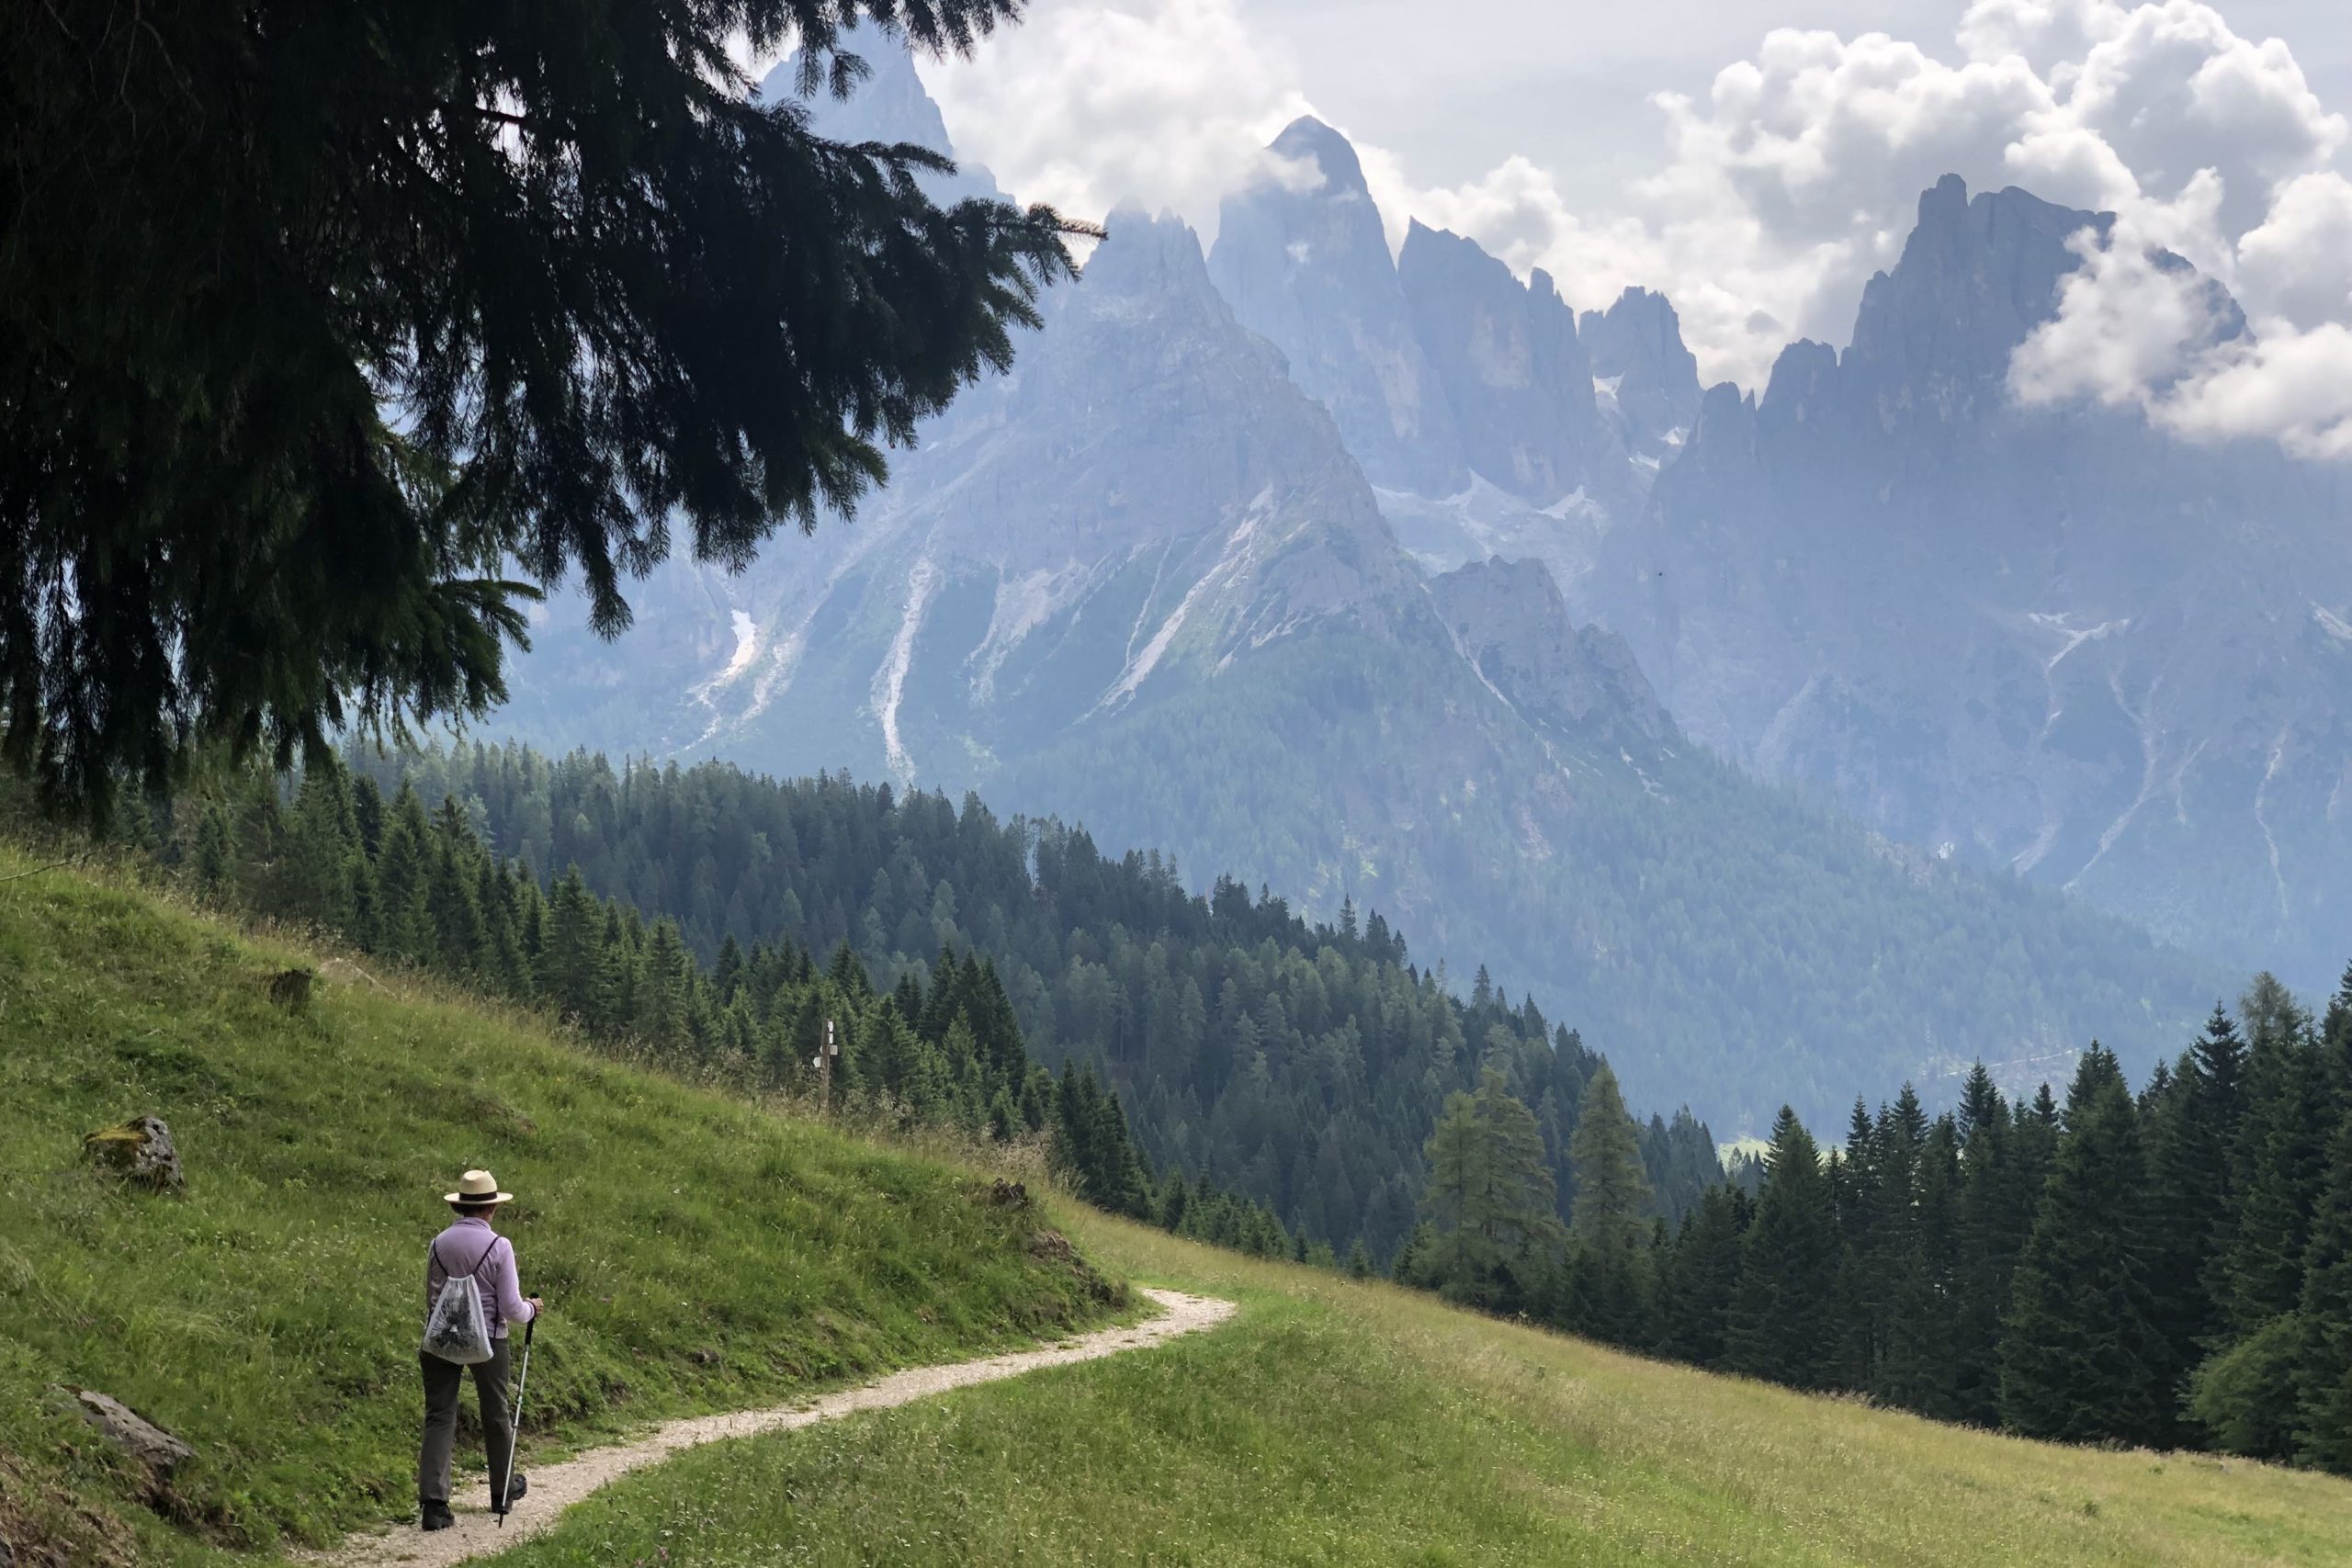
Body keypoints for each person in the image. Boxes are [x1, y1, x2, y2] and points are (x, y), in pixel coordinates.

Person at [418, 1168, 543, 1531]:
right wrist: (533, 1307)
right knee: (496, 1414)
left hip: (441, 1338)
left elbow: (431, 1297)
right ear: (492, 1209)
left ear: (460, 1207)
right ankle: (502, 1491)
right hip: (489, 1340)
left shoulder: (438, 1243)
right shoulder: (499, 1246)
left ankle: (434, 1504)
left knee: (440, 1415)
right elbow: (511, 1309)